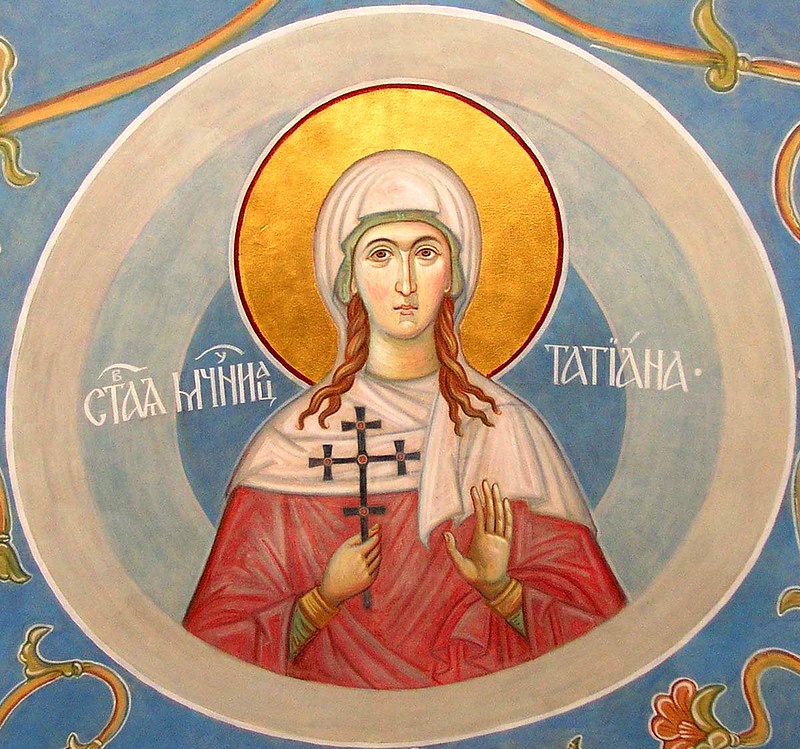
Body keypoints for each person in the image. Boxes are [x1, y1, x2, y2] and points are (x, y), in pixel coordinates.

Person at [183, 150, 625, 689]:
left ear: (454, 275)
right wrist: (321, 601)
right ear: (347, 278)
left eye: (426, 253)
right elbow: (215, 647)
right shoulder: (289, 445)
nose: (406, 283)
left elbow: (600, 637)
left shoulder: (503, 429)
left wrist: (502, 591)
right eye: (380, 255)